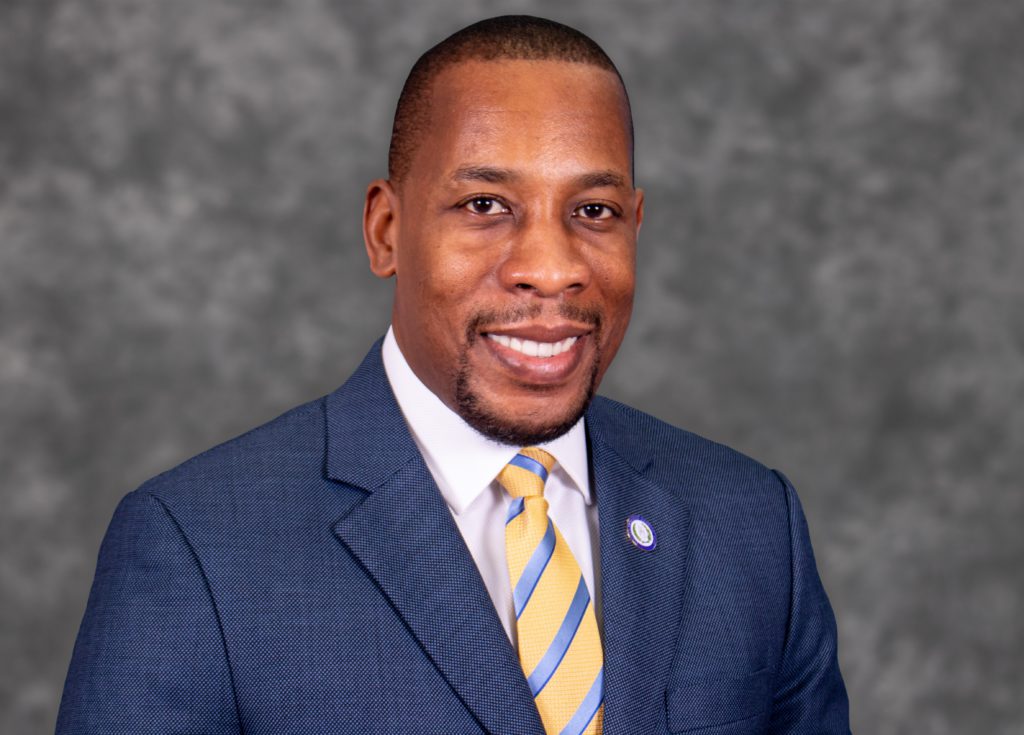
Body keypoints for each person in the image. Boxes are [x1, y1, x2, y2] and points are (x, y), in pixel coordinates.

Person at [56, 15, 850, 735]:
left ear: (635, 226)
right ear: (386, 230)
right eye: (484, 205)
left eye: (593, 212)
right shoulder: (197, 545)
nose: (551, 268)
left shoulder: (752, 523)